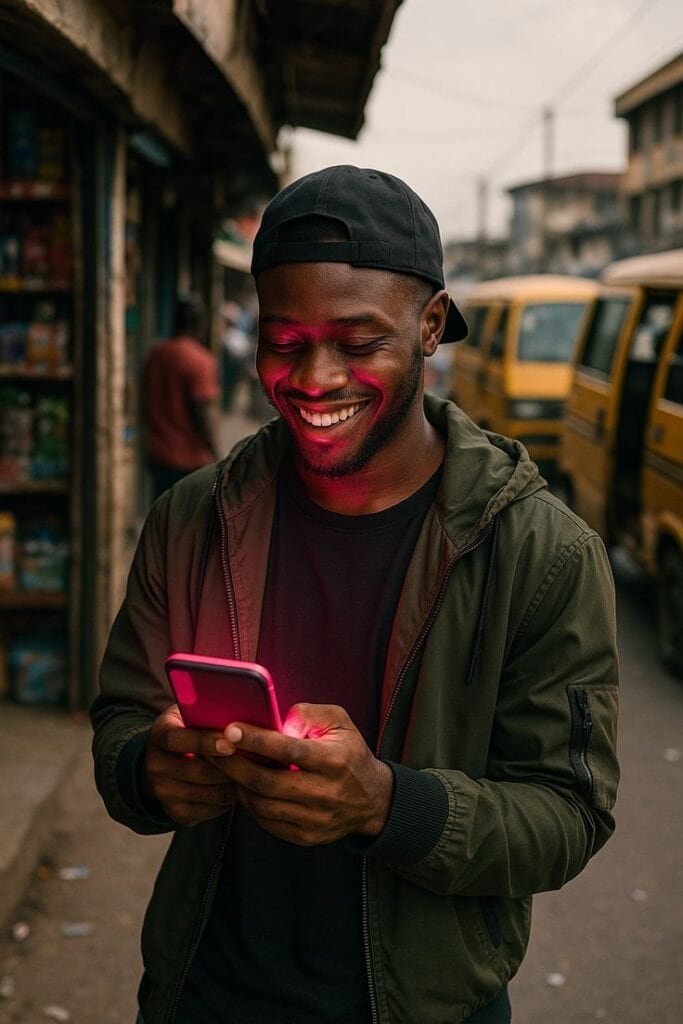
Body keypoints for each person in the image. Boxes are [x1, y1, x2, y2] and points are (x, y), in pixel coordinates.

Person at [91, 165, 619, 1024]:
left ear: (431, 326)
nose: (313, 377)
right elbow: (120, 718)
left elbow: (566, 815)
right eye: (284, 340)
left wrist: (385, 802)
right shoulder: (193, 517)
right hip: (206, 994)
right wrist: (146, 772)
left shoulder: (539, 553)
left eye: (358, 340)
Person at [143, 292, 221, 500]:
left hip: (158, 456)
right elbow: (202, 412)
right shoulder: (201, 360)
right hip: (190, 461)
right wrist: (216, 452)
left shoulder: (156, 355)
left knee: (163, 522)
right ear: (200, 324)